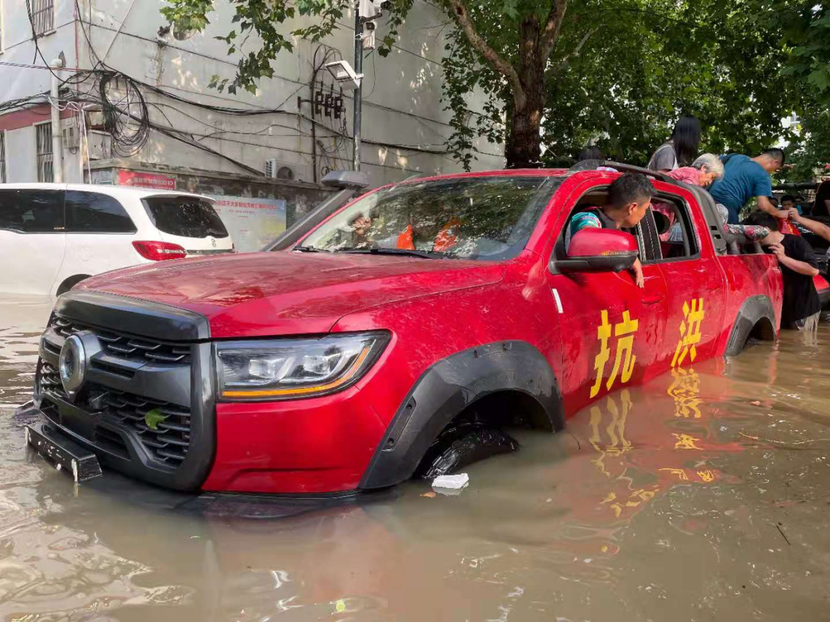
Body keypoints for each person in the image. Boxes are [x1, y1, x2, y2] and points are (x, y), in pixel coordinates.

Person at [565, 173, 654, 288]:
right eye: (646, 209)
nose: (644, 214)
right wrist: (630, 258)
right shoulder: (587, 217)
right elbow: (587, 237)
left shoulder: (618, 227)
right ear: (632, 208)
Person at [744, 211, 821, 332]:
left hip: (803, 311)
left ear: (765, 230)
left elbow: (813, 270)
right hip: (779, 311)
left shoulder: (796, 242)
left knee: (802, 346)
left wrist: (784, 258)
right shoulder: (758, 247)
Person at [708, 149, 788, 225]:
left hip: (704, 199)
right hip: (726, 208)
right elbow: (763, 205)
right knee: (729, 238)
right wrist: (779, 213)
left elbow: (708, 165)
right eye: (776, 169)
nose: (773, 172)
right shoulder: (763, 175)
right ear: (775, 162)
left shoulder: (734, 157)